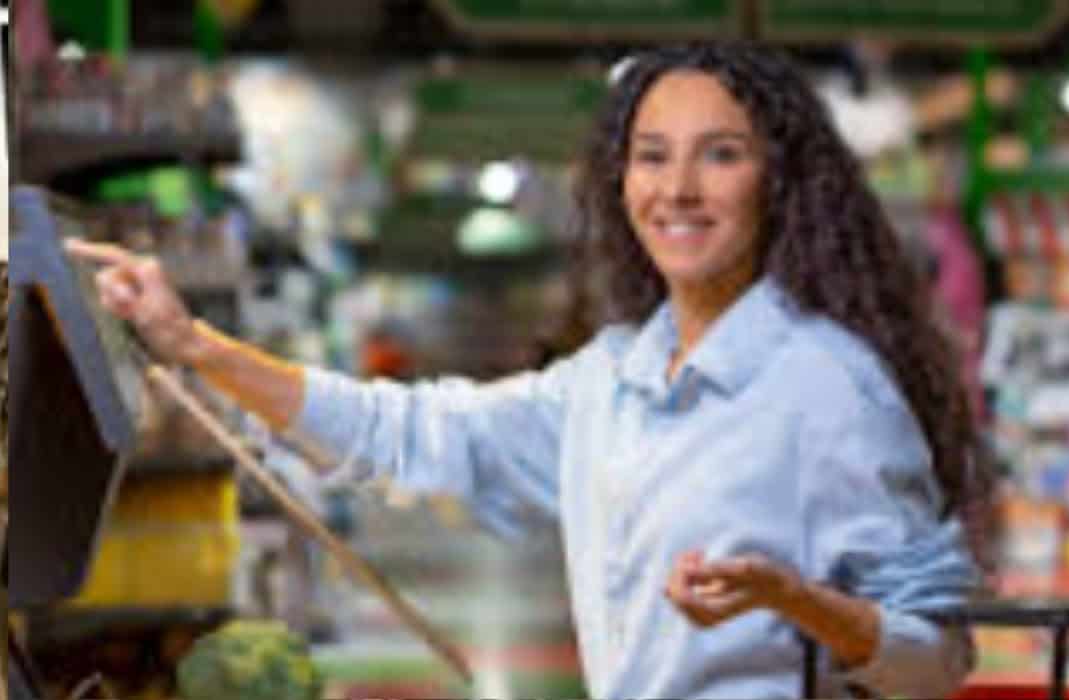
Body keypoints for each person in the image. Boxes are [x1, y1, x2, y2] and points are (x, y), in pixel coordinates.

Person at [72, 43, 992, 699]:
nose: (677, 190)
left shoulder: (831, 389)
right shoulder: (611, 381)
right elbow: (411, 430)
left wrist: (795, 599)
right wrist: (192, 343)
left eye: (721, 155)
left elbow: (934, 662)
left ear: (779, 181)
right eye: (652, 156)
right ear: (620, 181)